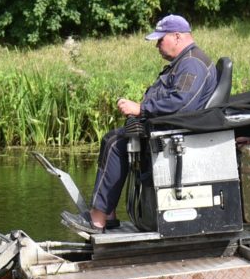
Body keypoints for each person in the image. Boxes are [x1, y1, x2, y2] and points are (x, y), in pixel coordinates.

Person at [78, 14, 217, 233]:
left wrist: (141, 109)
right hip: (167, 129)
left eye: (160, 40)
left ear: (178, 37)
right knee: (111, 138)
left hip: (175, 134)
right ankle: (109, 214)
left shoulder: (192, 64)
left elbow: (183, 105)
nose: (157, 46)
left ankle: (98, 219)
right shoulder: (183, 62)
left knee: (116, 145)